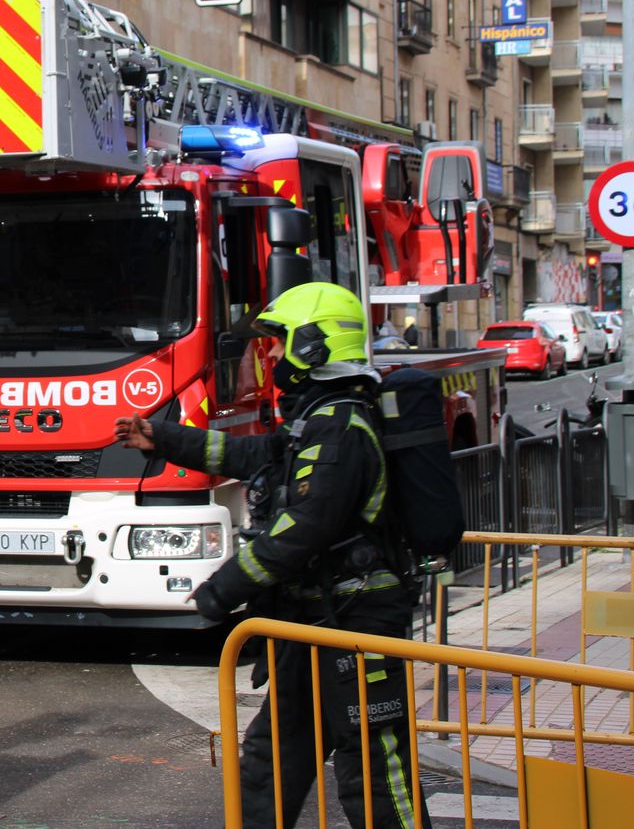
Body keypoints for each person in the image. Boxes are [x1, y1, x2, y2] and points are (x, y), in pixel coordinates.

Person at [114, 282, 428, 829]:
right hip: (313, 620)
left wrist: (220, 590)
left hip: (356, 625)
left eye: (281, 343)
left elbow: (305, 528)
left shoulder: (342, 428)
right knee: (270, 763)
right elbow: (251, 453)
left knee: (374, 769)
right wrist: (161, 438)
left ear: (314, 345)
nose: (273, 356)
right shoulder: (318, 419)